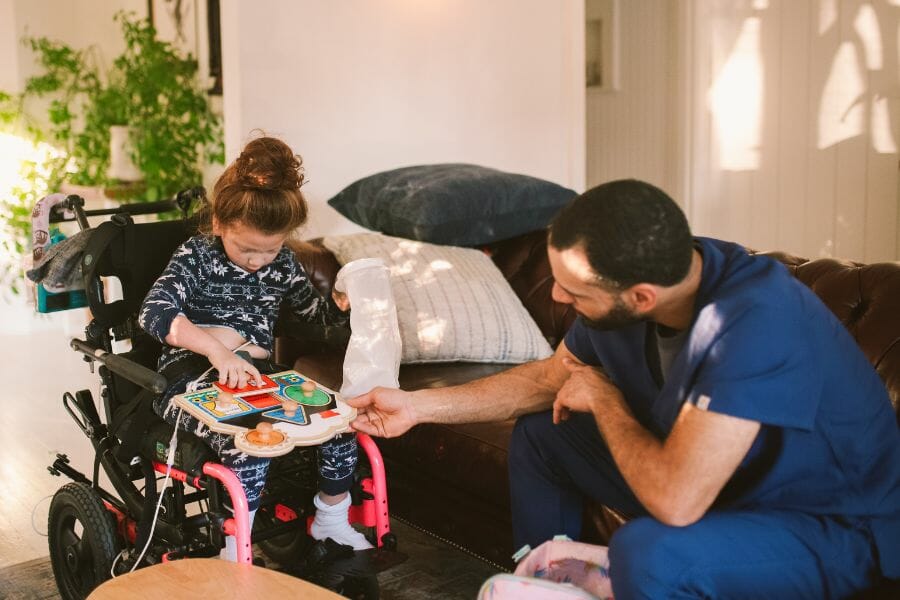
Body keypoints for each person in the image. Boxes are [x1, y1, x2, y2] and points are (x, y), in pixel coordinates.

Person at [346, 179, 900, 598]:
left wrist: (607, 398)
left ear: (640, 298)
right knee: (545, 432)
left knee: (648, 553)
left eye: (572, 293)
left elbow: (677, 503)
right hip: (717, 479)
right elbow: (549, 379)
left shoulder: (756, 324)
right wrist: (416, 407)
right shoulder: (648, 267)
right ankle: (539, 575)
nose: (559, 301)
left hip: (828, 523)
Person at [139, 136, 372, 559]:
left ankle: (331, 520)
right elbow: (154, 313)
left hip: (259, 378)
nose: (257, 261)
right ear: (218, 224)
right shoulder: (198, 255)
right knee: (250, 442)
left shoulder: (283, 265)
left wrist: (349, 309)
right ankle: (235, 543)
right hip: (187, 378)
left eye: (271, 249)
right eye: (246, 248)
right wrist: (217, 350)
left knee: (341, 424)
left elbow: (318, 320)